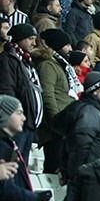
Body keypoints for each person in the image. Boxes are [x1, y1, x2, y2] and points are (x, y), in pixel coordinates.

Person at [35, 27, 80, 173]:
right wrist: (56, 119)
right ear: (57, 45)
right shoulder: (48, 65)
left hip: (62, 125)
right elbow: (48, 94)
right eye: (66, 45)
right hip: (55, 128)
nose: (70, 49)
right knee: (54, 165)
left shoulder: (59, 64)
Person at [59, 71, 100, 181]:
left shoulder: (91, 111)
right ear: (95, 91)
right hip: (89, 179)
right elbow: (81, 148)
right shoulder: (89, 113)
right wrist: (80, 177)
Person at [0, 23, 43, 163]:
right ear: (20, 39)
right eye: (30, 38)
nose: (34, 43)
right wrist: (15, 117)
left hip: (29, 124)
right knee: (13, 167)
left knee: (21, 169)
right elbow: (8, 90)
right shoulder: (8, 59)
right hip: (18, 125)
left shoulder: (26, 60)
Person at [0, 95, 52, 201]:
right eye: (19, 113)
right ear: (5, 115)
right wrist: (34, 198)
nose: (24, 118)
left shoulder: (8, 144)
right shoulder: (3, 147)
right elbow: (5, 190)